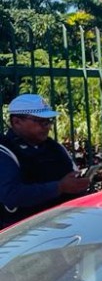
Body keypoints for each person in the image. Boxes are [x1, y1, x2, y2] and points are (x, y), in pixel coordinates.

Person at [0, 93, 91, 229]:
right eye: (40, 121)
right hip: (20, 233)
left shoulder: (55, 148)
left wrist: (78, 184)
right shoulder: (5, 151)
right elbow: (11, 195)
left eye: (48, 121)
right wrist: (59, 187)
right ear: (16, 122)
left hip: (62, 226)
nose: (47, 126)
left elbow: (71, 180)